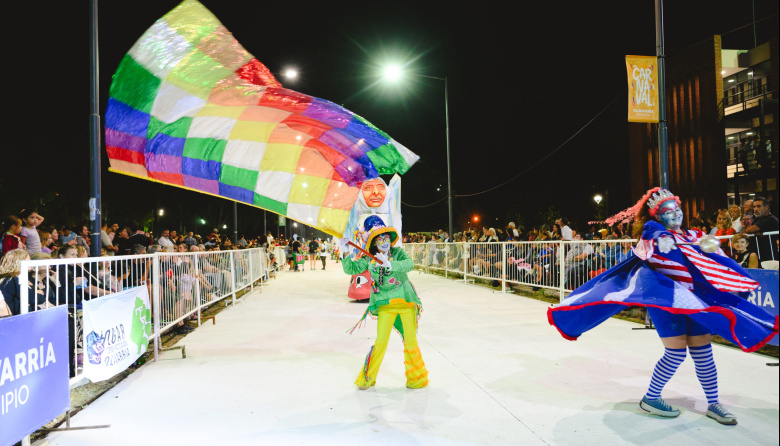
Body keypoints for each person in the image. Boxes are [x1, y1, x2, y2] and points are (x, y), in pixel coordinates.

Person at [548, 187, 777, 426]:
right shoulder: (653, 232)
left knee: (703, 352)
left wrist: (733, 267)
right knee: (676, 352)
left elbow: (720, 253)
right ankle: (651, 397)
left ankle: (713, 403)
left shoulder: (694, 235)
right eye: (668, 211)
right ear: (657, 216)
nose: (675, 214)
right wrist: (672, 240)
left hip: (695, 301)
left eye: (677, 208)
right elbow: (658, 244)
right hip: (667, 299)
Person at [339, 224, 428, 390]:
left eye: (387, 237)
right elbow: (351, 268)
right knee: (381, 342)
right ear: (374, 242)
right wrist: (344, 252)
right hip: (386, 305)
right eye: (380, 239)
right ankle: (367, 378)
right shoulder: (368, 258)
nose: (384, 241)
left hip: (405, 302)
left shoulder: (397, 253)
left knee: (411, 341)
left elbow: (410, 264)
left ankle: (416, 378)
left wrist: (391, 265)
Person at [745, 196, 779, 262]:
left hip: (768, 256)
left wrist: (754, 231)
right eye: (754, 207)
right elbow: (747, 230)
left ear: (766, 207)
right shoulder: (758, 219)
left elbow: (749, 230)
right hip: (759, 255)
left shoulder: (770, 219)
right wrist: (755, 232)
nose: (755, 209)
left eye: (758, 206)